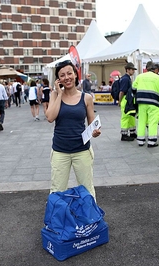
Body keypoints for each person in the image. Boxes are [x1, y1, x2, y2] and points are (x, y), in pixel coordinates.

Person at [46, 60, 100, 199]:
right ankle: (56, 220)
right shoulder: (54, 95)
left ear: (75, 74)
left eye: (69, 73)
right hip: (60, 150)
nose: (67, 77)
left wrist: (95, 131)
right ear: (58, 79)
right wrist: (58, 93)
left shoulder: (86, 98)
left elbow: (93, 124)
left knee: (87, 188)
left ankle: (90, 219)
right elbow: (50, 117)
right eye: (62, 75)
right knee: (57, 190)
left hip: (82, 150)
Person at [133, 61, 159, 147]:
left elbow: (133, 87)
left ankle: (140, 140)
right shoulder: (157, 77)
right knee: (152, 121)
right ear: (154, 69)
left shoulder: (140, 76)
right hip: (153, 102)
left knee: (142, 120)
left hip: (141, 102)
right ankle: (151, 141)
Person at [119, 62, 137, 141]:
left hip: (128, 99)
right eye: (132, 70)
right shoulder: (126, 79)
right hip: (125, 99)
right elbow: (122, 91)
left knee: (130, 116)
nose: (133, 71)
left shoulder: (126, 78)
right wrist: (119, 101)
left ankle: (132, 132)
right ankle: (124, 135)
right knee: (125, 117)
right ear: (127, 70)